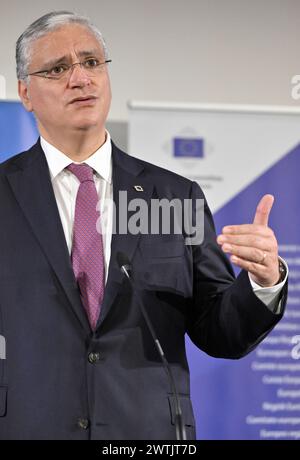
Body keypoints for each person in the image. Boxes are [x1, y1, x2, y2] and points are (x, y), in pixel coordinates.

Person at [0, 11, 287, 440]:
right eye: (58, 69)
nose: (81, 78)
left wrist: (263, 281)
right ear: (25, 92)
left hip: (149, 433)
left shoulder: (175, 196)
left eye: (92, 62)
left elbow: (220, 330)